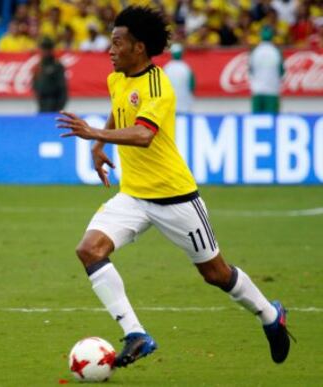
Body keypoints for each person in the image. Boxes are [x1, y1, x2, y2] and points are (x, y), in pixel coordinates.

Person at [56, 6, 292, 368]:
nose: (110, 49)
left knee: (216, 274)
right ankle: (136, 334)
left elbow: (143, 134)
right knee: (89, 250)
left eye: (118, 43)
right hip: (133, 195)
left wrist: (94, 132)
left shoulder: (158, 85)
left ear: (139, 47)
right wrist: (99, 145)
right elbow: (121, 110)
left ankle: (269, 315)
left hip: (175, 197)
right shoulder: (117, 79)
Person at [249, 26, 285, 114]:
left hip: (257, 91)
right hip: (272, 91)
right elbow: (281, 72)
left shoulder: (255, 51)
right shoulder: (276, 52)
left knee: (256, 122)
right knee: (273, 122)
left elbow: (250, 71)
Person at [32, 37, 68, 113]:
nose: (44, 51)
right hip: (41, 103)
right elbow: (35, 82)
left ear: (51, 50)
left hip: (53, 103)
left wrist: (59, 108)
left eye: (47, 49)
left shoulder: (57, 66)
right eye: (43, 49)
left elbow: (63, 88)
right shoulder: (39, 65)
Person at [163, 43, 196, 113]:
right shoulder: (186, 67)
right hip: (185, 103)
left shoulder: (167, 67)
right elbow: (192, 86)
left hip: (170, 104)